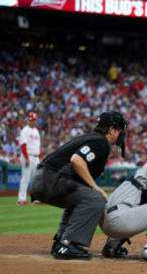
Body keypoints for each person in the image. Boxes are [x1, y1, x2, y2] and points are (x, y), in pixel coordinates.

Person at [30, 111, 128, 260]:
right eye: (120, 129)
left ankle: (61, 242)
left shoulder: (94, 139)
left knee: (83, 197)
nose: (122, 134)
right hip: (49, 178)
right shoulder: (101, 142)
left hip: (44, 178)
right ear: (111, 129)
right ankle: (68, 245)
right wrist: (95, 187)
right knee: (95, 198)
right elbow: (77, 160)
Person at [17, 112, 41, 205]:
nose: (34, 121)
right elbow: (23, 145)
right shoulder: (25, 130)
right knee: (25, 178)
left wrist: (39, 157)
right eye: (32, 120)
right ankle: (21, 199)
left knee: (35, 179)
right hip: (28, 156)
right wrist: (26, 158)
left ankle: (35, 198)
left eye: (35, 120)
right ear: (29, 120)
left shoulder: (36, 131)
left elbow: (38, 146)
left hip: (35, 157)